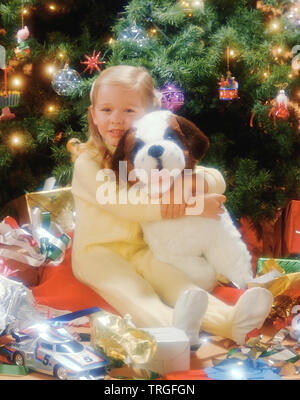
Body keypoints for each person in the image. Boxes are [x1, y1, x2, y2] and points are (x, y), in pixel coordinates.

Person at [71, 65, 273, 346]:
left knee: (179, 285)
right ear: (93, 114)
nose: (116, 119)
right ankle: (172, 328)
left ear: (150, 116)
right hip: (98, 253)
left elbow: (213, 177)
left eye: (129, 111)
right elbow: (125, 205)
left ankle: (231, 321)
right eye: (106, 110)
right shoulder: (88, 162)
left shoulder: (145, 153)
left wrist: (190, 184)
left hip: (143, 248)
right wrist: (192, 207)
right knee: (136, 292)